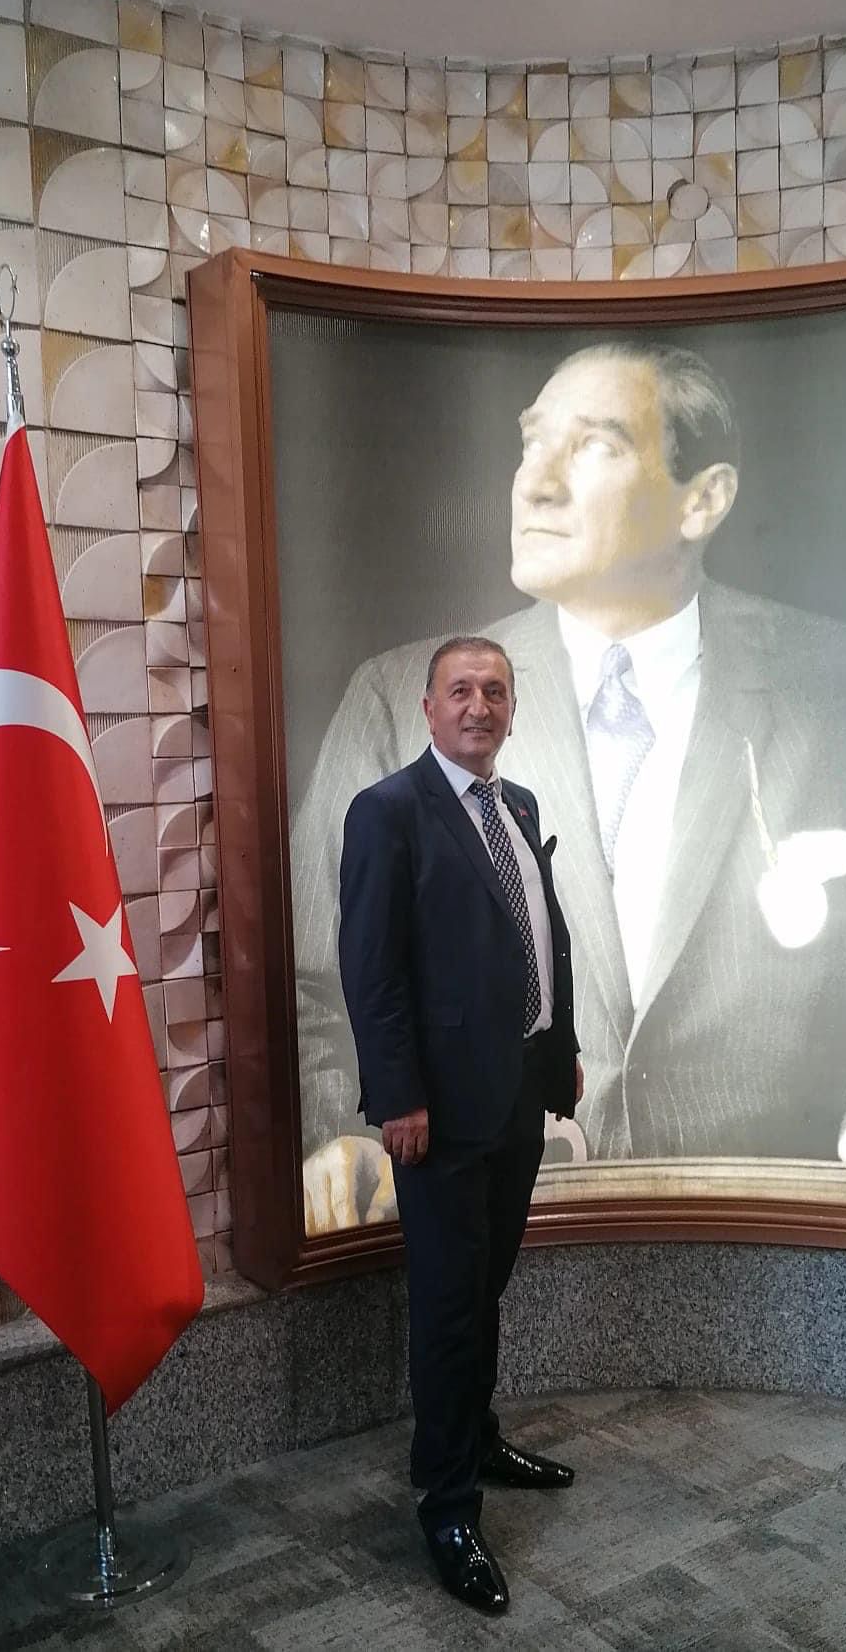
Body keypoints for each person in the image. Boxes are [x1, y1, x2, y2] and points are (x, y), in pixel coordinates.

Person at [296, 339, 846, 1234]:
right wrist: (343, 1137)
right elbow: (313, 991)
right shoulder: (399, 700)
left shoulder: (832, 684)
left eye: (593, 445)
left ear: (704, 499)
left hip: (750, 1234)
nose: (534, 484)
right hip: (483, 1220)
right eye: (532, 443)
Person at [339, 635, 583, 1615]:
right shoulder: (388, 811)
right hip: (437, 1111)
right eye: (461, 690)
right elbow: (373, 969)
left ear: (512, 710)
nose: (479, 706)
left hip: (518, 1091)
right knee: (447, 1307)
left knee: (486, 1287)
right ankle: (447, 1506)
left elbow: (540, 938)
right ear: (428, 706)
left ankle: (475, 1437)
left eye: (496, 691)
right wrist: (398, 1095)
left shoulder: (517, 804)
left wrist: (560, 1049)